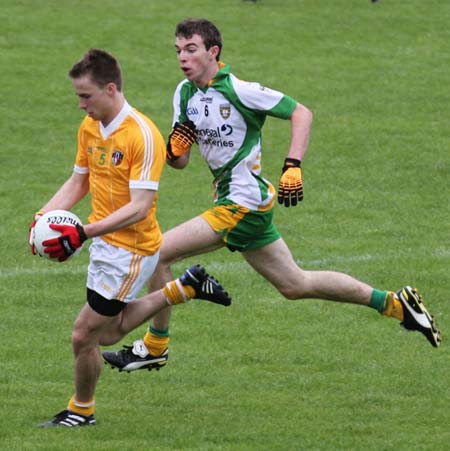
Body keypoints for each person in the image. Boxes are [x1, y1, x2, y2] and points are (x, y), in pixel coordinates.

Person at [102, 18, 441, 373]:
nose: (182, 58)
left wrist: (292, 164)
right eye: (178, 51)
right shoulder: (184, 93)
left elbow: (301, 112)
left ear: (213, 52)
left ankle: (156, 346)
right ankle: (397, 305)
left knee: (156, 253)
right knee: (295, 284)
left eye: (191, 50)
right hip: (238, 204)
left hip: (242, 203)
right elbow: (180, 161)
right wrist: (174, 150)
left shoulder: (239, 90)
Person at [28, 48, 231, 428]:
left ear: (110, 89)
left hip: (131, 249)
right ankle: (184, 288)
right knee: (107, 335)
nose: (80, 104)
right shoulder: (90, 127)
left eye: (85, 96)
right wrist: (42, 218)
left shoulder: (143, 135)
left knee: (83, 335)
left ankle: (80, 411)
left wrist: (82, 232)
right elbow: (79, 180)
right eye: (78, 96)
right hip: (105, 244)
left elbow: (140, 207)